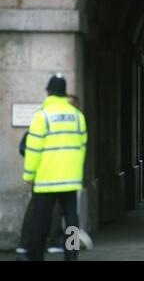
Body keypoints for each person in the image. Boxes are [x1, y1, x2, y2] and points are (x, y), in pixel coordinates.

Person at [23, 74, 87, 261]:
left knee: (41, 221)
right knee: (72, 219)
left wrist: (29, 174)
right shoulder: (77, 116)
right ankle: (71, 254)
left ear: (48, 91)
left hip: (46, 178)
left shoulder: (42, 116)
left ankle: (36, 254)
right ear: (65, 92)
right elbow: (82, 147)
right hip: (70, 178)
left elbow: (33, 148)